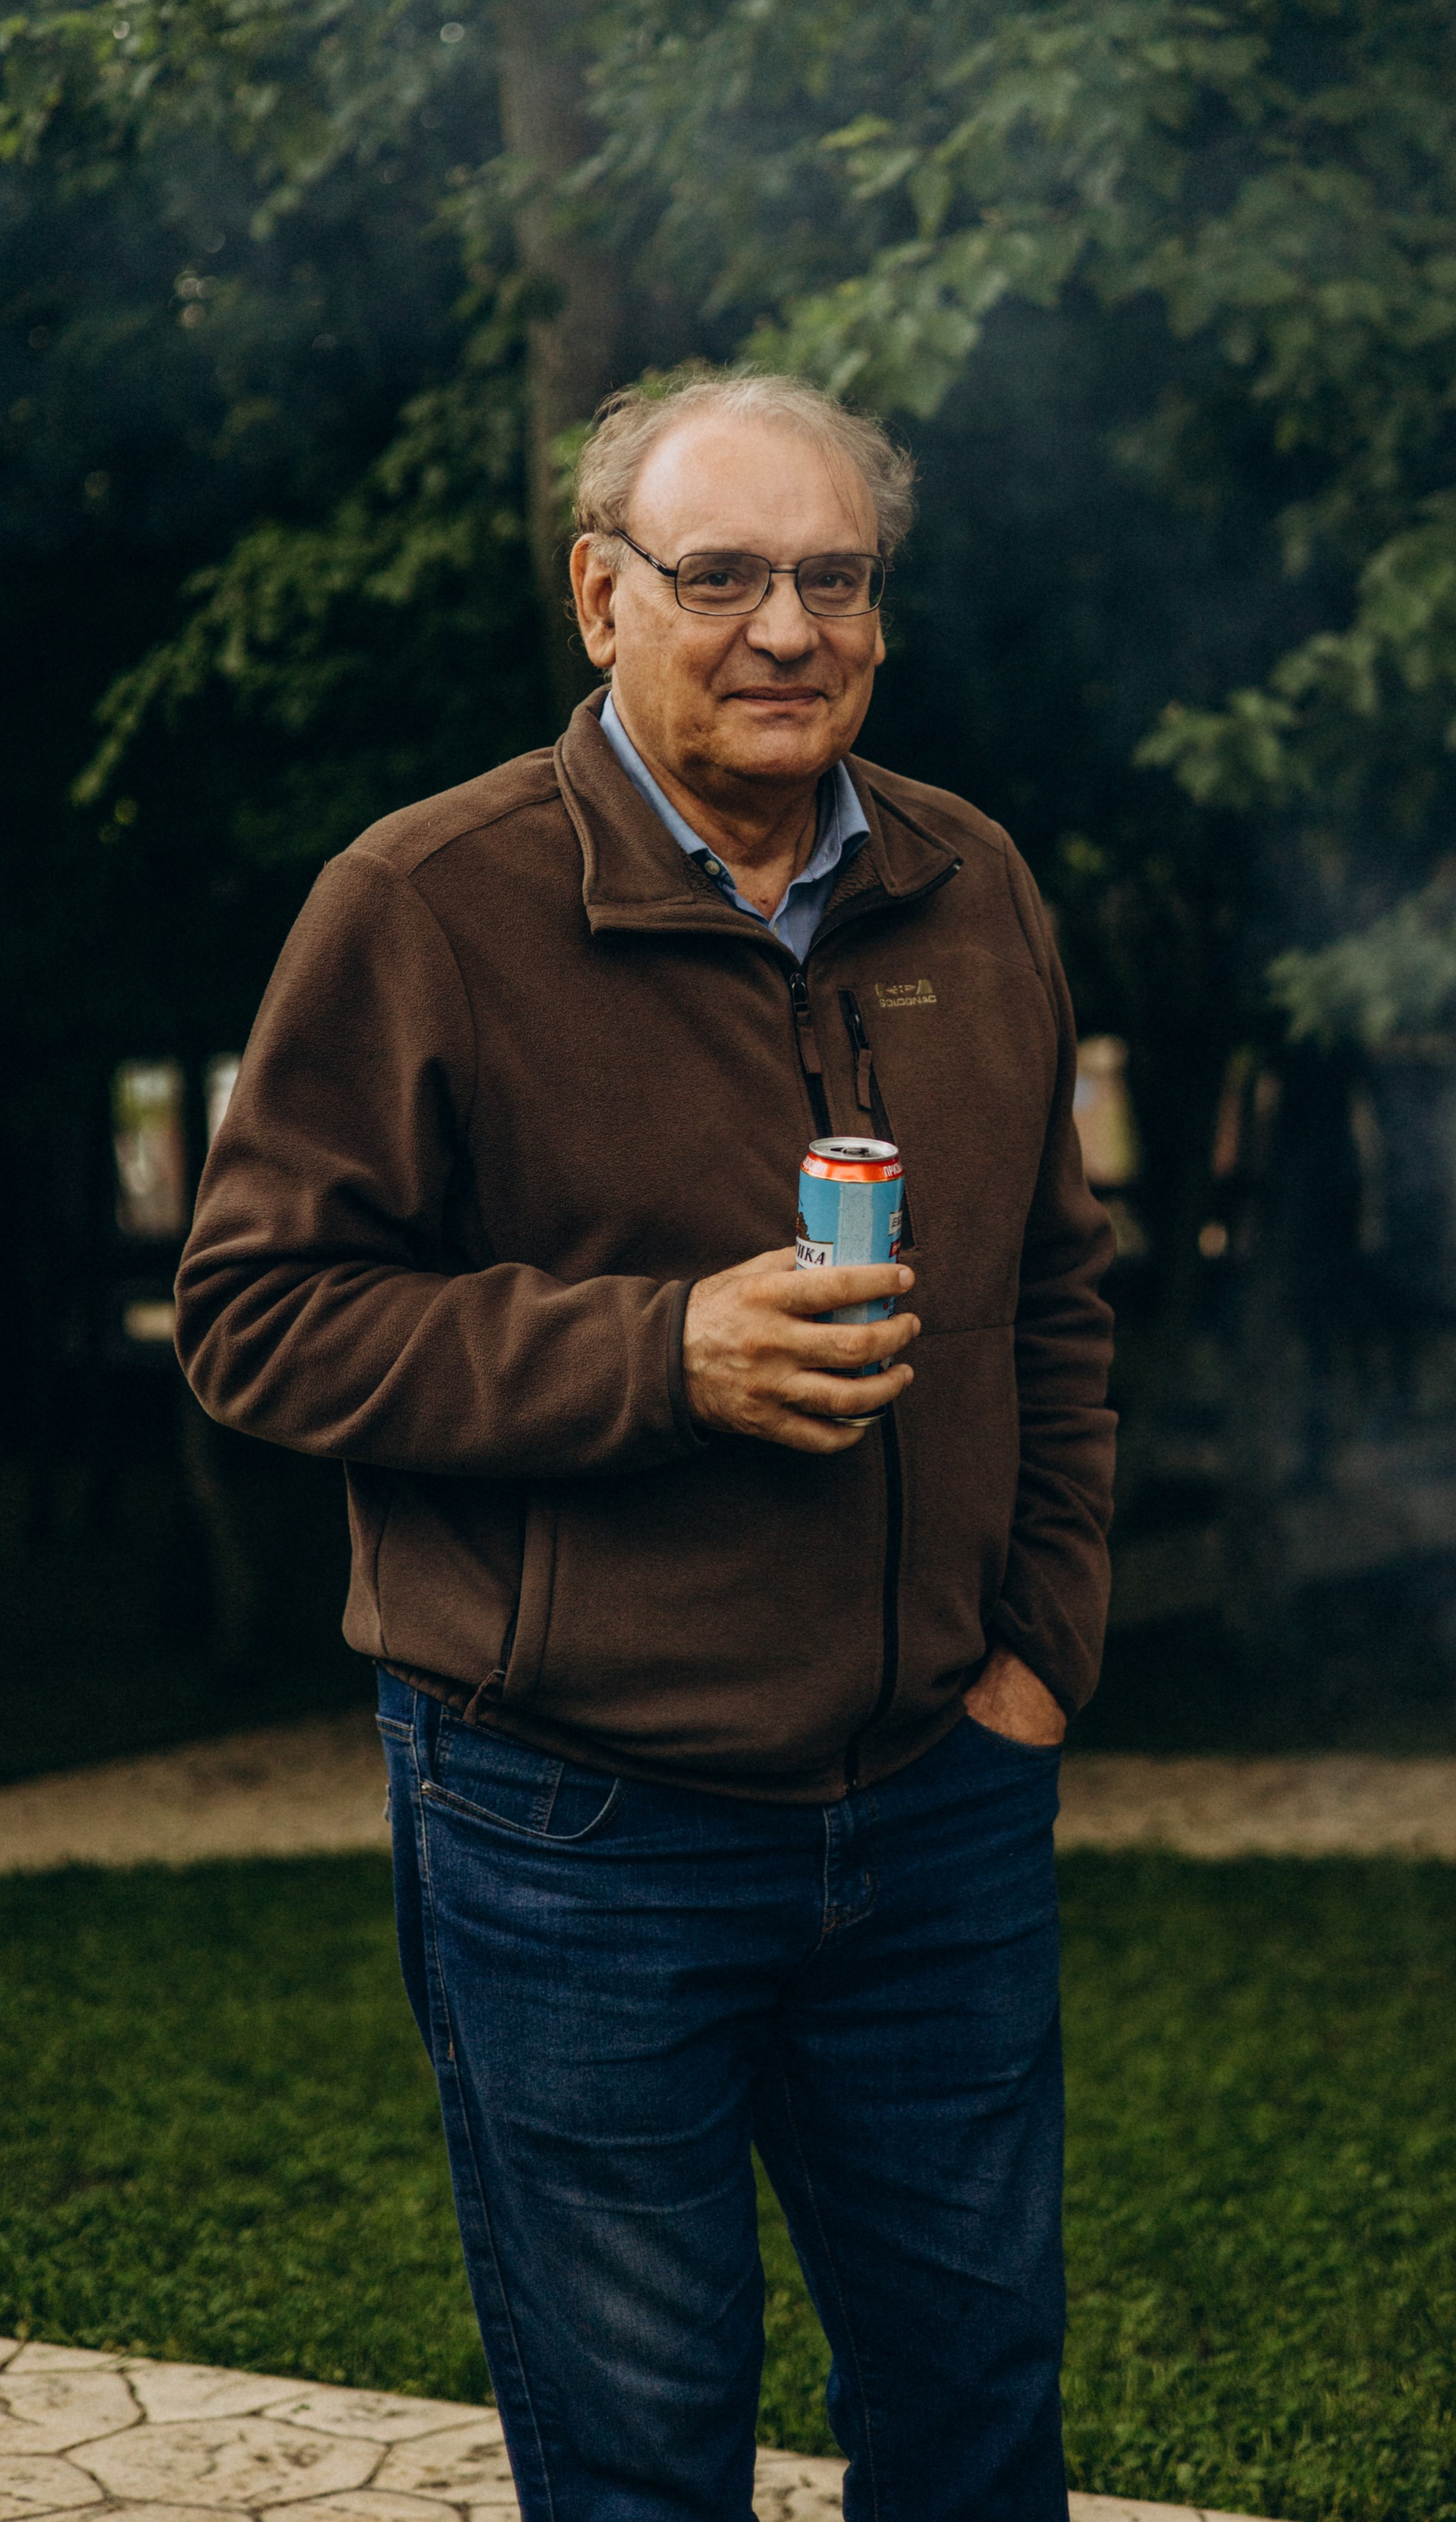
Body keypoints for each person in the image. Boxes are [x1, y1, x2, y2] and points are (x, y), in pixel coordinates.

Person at [176, 368, 1116, 2522]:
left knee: (979, 2419)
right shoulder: (426, 903)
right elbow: (254, 1316)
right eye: (721, 577)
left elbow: (1060, 1289)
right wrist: (661, 1356)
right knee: (643, 2464)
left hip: (940, 1801)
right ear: (601, 598)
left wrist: (1041, 1649)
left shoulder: (968, 883)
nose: (787, 629)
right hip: (573, 1824)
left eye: (835, 578)